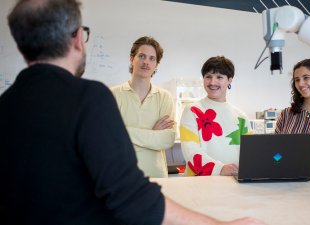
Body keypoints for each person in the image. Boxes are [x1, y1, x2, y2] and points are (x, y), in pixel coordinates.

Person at [0, 1, 267, 225]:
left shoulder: (6, 103)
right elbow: (128, 193)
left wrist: (126, 131)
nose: (214, 81)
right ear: (79, 38)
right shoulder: (91, 97)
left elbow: (164, 141)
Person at [110, 36, 175, 178]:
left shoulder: (165, 97)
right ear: (131, 59)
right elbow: (108, 137)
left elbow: (167, 139)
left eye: (152, 58)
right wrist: (153, 133)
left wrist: (124, 132)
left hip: (157, 177)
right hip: (121, 175)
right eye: (142, 56)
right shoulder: (112, 95)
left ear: (157, 64)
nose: (146, 62)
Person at [179, 56, 252, 176]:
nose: (212, 82)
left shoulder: (241, 117)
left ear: (229, 80)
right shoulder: (192, 110)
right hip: (200, 183)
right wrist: (220, 169)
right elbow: (190, 151)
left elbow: (250, 153)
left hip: (234, 182)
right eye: (208, 77)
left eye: (219, 77)